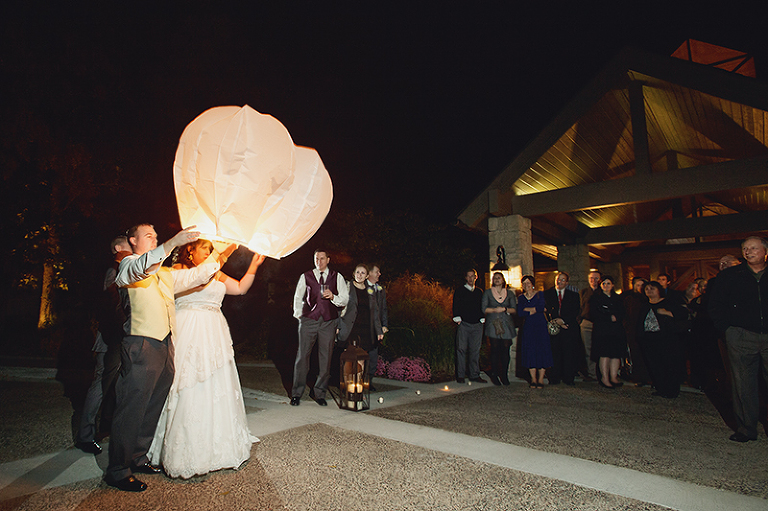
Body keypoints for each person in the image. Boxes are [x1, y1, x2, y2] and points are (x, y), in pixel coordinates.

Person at [105, 223, 219, 492]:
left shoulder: (164, 273)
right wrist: (171, 243)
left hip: (166, 344)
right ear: (132, 240)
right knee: (132, 406)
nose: (154, 239)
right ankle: (118, 470)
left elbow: (197, 277)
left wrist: (223, 251)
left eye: (156, 236)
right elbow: (139, 267)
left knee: (153, 403)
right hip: (141, 343)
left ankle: (138, 456)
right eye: (148, 236)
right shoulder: (128, 265)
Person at [148, 239, 265, 478]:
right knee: (188, 382)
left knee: (216, 384)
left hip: (215, 330)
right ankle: (183, 447)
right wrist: (223, 253)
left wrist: (253, 265)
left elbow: (241, 288)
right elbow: (196, 280)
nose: (210, 253)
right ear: (190, 250)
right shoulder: (180, 271)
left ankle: (218, 445)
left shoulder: (216, 271)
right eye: (205, 248)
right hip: (189, 328)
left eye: (211, 250)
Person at [76, 236, 132, 455]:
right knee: (100, 384)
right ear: (118, 248)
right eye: (128, 244)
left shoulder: (123, 270)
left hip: (119, 337)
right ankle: (85, 436)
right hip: (111, 338)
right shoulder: (114, 272)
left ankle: (105, 426)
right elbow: (112, 307)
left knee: (114, 385)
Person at [708, 236, 768, 442]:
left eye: (753, 248)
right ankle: (746, 428)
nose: (748, 252)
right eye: (745, 249)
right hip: (741, 336)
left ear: (765, 251)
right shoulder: (731, 276)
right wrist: (727, 329)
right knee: (743, 384)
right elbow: (715, 304)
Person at [291, 249, 349, 406]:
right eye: (316, 259)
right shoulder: (306, 276)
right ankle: (296, 393)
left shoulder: (337, 277)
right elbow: (298, 296)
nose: (319, 262)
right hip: (309, 320)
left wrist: (334, 297)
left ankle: (320, 393)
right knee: (302, 357)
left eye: (322, 259)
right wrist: (300, 316)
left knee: (325, 358)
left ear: (328, 259)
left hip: (329, 322)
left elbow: (344, 299)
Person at [637, 281, 687, 398]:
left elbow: (683, 313)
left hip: (666, 339)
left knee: (669, 364)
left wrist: (667, 313)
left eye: (652, 288)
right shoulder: (645, 306)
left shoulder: (668, 303)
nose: (649, 290)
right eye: (647, 289)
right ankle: (660, 388)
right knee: (655, 364)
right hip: (649, 340)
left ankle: (671, 390)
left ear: (658, 290)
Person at [339, 264, 384, 387]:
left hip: (365, 330)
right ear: (354, 273)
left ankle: (357, 387)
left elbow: (374, 312)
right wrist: (338, 326)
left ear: (367, 276)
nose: (360, 275)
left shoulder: (370, 291)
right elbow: (339, 307)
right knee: (348, 359)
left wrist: (379, 331)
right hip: (350, 329)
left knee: (361, 360)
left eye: (363, 273)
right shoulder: (347, 287)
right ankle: (347, 387)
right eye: (357, 272)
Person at [589, 275, 627, 389]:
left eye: (608, 283)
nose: (606, 286)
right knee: (604, 354)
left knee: (615, 354)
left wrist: (617, 317)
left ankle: (614, 376)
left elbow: (623, 312)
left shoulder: (618, 298)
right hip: (602, 330)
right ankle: (604, 378)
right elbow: (594, 314)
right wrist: (608, 317)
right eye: (603, 283)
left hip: (616, 330)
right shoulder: (595, 298)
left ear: (613, 285)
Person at [543, 272, 580, 386]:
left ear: (567, 282)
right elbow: (547, 309)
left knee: (568, 353)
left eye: (563, 280)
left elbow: (575, 311)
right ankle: (554, 378)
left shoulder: (573, 295)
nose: (560, 281)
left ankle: (568, 378)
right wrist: (556, 321)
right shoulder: (547, 294)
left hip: (568, 327)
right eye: (558, 279)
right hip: (553, 328)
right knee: (555, 353)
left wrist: (563, 321)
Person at [482, 272, 517, 385]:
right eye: (495, 278)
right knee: (495, 349)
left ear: (503, 280)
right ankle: (495, 374)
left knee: (505, 349)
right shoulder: (488, 293)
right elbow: (484, 308)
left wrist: (505, 310)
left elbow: (514, 309)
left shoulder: (510, 293)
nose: (497, 280)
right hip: (493, 324)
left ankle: (504, 375)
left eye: (499, 278)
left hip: (506, 324)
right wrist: (494, 310)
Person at [517, 275, 552, 388]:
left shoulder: (539, 294)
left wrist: (528, 309)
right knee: (530, 351)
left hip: (540, 326)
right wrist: (533, 310)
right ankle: (533, 379)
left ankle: (541, 379)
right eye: (524, 283)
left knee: (542, 351)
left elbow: (542, 307)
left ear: (532, 284)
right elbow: (520, 312)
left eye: (528, 283)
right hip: (528, 327)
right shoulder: (521, 297)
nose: (526, 285)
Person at [452, 269, 486, 383]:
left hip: (477, 325)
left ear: (476, 277)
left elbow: (482, 306)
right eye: (469, 276)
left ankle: (474, 374)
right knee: (461, 349)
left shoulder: (479, 292)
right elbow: (456, 305)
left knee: (475, 350)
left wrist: (482, 318)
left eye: (473, 276)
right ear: (466, 278)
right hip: (464, 324)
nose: (471, 279)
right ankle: (460, 375)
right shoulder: (460, 291)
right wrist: (457, 318)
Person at [624, 277, 651, 387]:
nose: (640, 288)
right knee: (635, 354)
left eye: (642, 285)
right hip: (632, 330)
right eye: (638, 285)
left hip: (644, 330)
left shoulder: (646, 300)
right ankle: (638, 376)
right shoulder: (628, 298)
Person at [367, 263, 388, 388]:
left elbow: (383, 309)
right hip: (364, 328)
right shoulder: (362, 287)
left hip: (376, 329)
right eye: (377, 272)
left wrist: (384, 324)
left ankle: (368, 381)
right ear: (369, 273)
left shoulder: (380, 289)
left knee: (373, 357)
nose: (379, 274)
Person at [578, 270, 601, 381]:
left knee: (601, 348)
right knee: (588, 349)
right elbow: (579, 307)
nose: (594, 280)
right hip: (586, 323)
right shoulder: (583, 292)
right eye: (591, 278)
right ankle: (592, 373)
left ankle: (602, 372)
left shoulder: (602, 292)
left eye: (596, 278)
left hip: (599, 324)